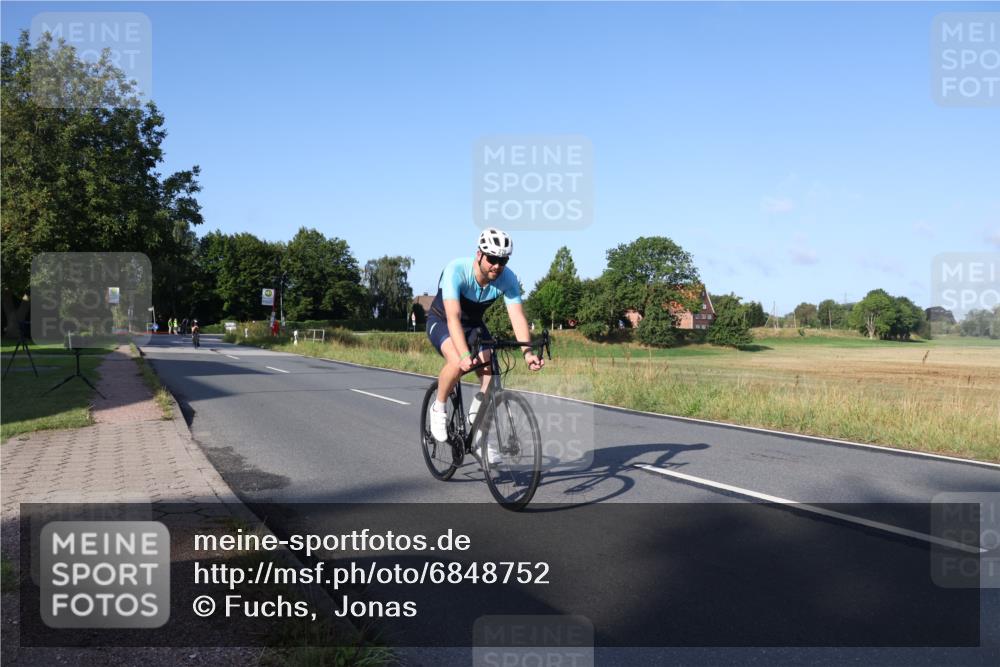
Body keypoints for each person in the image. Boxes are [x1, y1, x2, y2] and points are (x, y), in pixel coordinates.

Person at [425, 228, 544, 449]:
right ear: (479, 254)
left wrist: (527, 353)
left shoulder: (507, 279)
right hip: (442, 320)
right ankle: (438, 407)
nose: (497, 265)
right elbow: (453, 317)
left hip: (473, 325)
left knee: (491, 365)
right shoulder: (457, 270)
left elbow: (517, 316)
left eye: (503, 260)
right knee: (455, 361)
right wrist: (463, 354)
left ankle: (478, 425)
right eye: (492, 259)